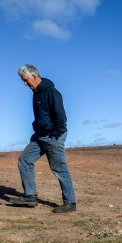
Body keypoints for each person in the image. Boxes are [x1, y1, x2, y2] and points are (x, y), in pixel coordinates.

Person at [10, 64, 77, 213]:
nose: (24, 83)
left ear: (34, 76)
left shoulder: (51, 92)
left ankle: (70, 203)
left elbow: (61, 118)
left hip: (53, 136)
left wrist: (55, 136)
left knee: (59, 169)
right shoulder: (36, 93)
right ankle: (30, 197)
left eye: (25, 80)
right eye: (23, 80)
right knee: (24, 160)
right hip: (39, 136)